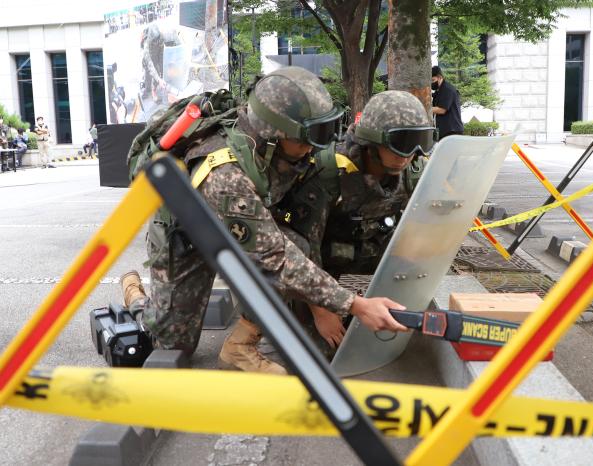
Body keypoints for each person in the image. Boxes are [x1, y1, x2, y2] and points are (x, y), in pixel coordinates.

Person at [121, 67, 407, 375]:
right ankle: (134, 295)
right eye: (306, 139)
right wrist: (353, 305)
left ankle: (240, 347)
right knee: (171, 345)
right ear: (274, 134)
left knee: (293, 243)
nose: (313, 148)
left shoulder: (284, 148)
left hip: (240, 232)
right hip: (186, 239)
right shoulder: (226, 175)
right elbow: (275, 259)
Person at [273, 90, 435, 353]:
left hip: (359, 248)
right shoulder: (330, 171)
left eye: (418, 142)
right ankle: (256, 325)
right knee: (322, 351)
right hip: (316, 258)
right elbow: (304, 249)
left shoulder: (412, 170)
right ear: (372, 141)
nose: (407, 155)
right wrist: (323, 309)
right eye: (399, 142)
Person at [431, 65, 464, 139]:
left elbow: (442, 110)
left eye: (433, 80)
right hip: (445, 131)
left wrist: (425, 109)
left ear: (439, 77)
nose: (432, 84)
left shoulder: (447, 89)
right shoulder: (439, 91)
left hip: (452, 131)